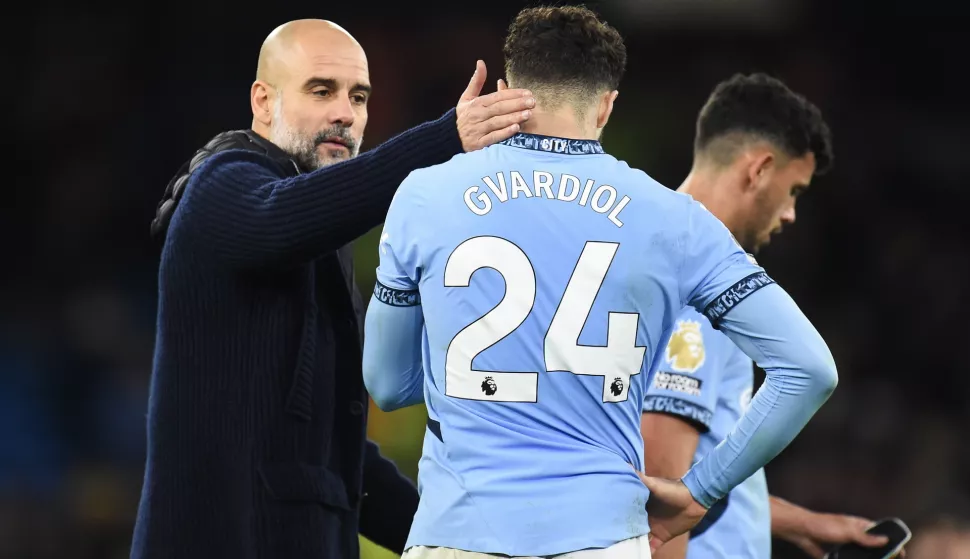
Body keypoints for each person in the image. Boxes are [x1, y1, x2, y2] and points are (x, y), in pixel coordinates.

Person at [361, 6, 837, 558]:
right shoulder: (673, 220)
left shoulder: (423, 195)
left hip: (457, 533)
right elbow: (809, 370)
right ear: (608, 104)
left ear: (507, 88)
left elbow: (388, 385)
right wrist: (700, 491)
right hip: (602, 537)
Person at [132, 18, 535, 559]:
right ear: (262, 101)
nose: (345, 113)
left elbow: (339, 461)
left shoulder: (325, 241)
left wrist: (462, 545)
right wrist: (446, 138)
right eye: (321, 90)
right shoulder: (220, 185)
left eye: (359, 97)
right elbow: (282, 218)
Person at [640, 73, 900, 559]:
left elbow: (697, 471)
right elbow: (660, 495)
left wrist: (797, 523)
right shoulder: (705, 287)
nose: (791, 215)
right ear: (759, 169)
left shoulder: (659, 250)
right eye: (795, 191)